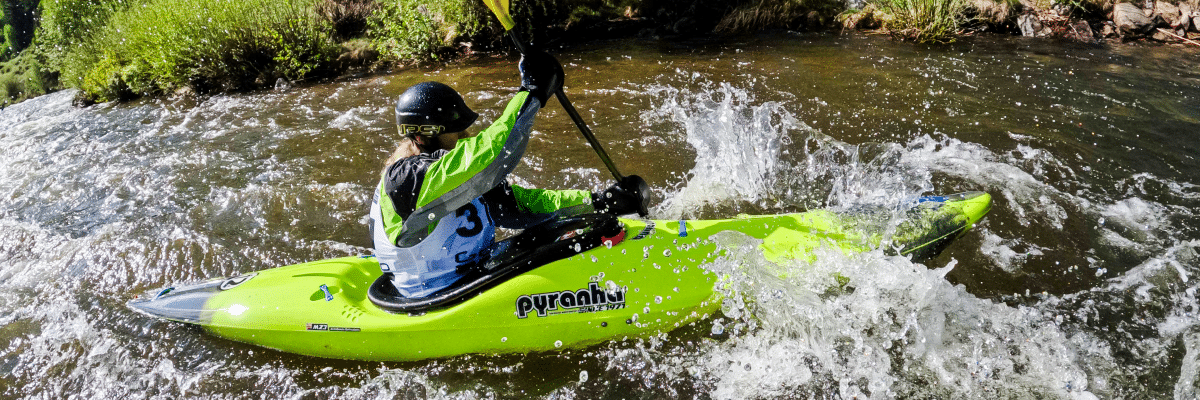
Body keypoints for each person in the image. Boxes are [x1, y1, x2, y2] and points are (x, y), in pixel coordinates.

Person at [369, 50, 647, 299]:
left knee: (562, 231)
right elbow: (493, 155)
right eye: (458, 131)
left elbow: (520, 208)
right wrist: (531, 93)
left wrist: (599, 202)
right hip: (433, 295)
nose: (466, 136)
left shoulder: (456, 174)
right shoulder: (407, 179)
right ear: (423, 136)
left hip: (473, 276)